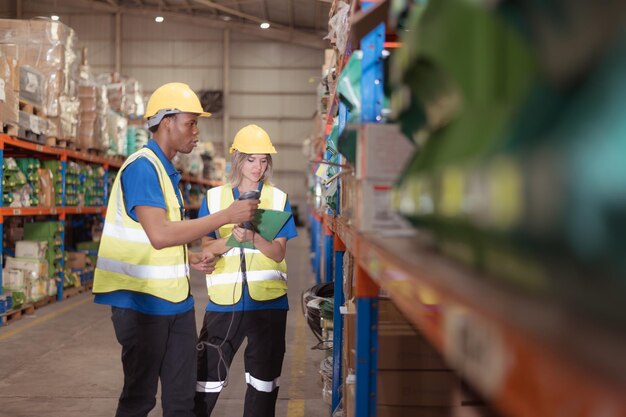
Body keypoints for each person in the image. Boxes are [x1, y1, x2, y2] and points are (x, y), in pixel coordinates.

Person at [92, 82, 259, 417]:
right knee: (139, 399)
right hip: (141, 304)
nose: (196, 132)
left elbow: (158, 239)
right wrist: (226, 215)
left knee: (183, 400)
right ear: (166, 122)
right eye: (190, 123)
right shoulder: (142, 167)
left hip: (175, 303)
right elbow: (159, 234)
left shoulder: (168, 173)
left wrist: (188, 256)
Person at [194, 125, 298, 417]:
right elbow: (206, 247)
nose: (258, 167)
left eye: (264, 160)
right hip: (224, 304)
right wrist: (229, 240)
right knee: (205, 380)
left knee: (264, 384)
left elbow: (278, 253)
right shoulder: (214, 199)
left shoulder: (278, 199)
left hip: (268, 304)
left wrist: (253, 238)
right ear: (238, 160)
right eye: (251, 160)